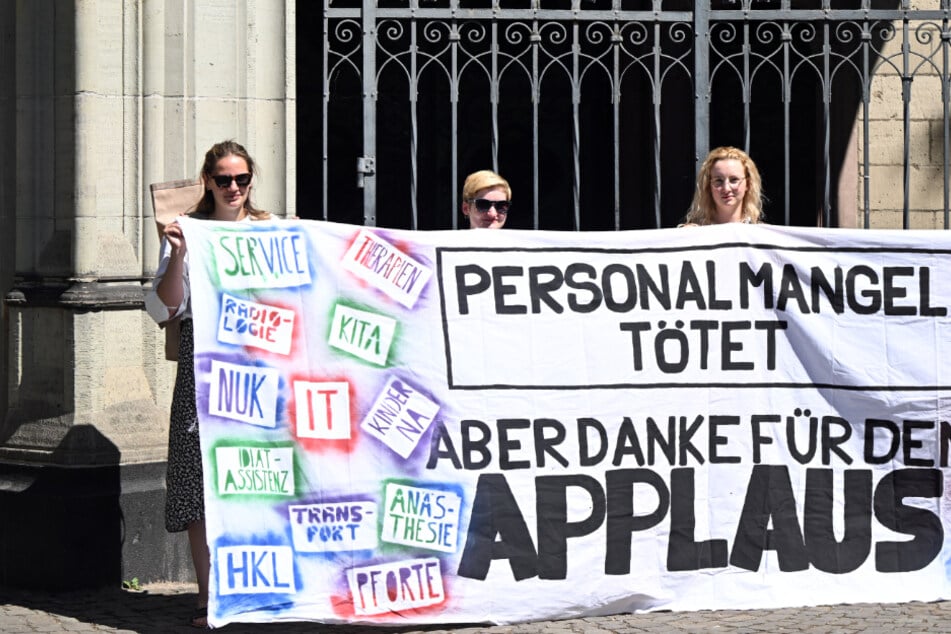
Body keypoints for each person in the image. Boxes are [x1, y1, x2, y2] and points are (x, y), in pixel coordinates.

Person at [144, 140, 272, 628]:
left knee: (257, 477)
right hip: (204, 361)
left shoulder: (269, 229)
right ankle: (207, 592)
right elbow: (163, 309)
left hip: (260, 365)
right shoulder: (188, 232)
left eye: (241, 179)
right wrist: (177, 255)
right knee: (201, 480)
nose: (234, 188)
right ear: (207, 182)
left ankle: (256, 587)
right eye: (224, 179)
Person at [680, 146, 764, 226]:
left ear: (748, 184)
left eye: (734, 180)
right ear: (708, 185)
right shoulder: (692, 234)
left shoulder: (761, 235)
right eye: (718, 181)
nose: (726, 189)